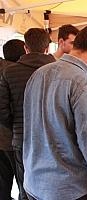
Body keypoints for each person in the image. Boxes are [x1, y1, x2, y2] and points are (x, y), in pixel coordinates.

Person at [23, 23, 87, 200]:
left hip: (34, 183)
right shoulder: (84, 83)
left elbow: (28, 127)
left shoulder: (39, 74)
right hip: (71, 188)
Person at [0, 29, 55, 200]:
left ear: (26, 47)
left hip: (22, 139)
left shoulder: (10, 72)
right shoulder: (59, 71)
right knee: (53, 188)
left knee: (27, 189)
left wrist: (17, 123)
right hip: (55, 139)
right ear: (48, 48)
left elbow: (2, 110)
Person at [0, 39, 25, 200]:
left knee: (3, 184)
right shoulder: (16, 73)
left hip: (2, 138)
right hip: (14, 137)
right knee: (23, 183)